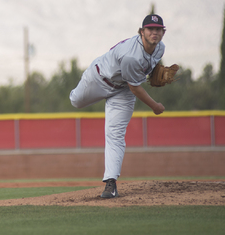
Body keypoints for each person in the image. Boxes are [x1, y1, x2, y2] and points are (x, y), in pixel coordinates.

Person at [69, 14, 168, 198]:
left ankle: (110, 183)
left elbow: (138, 80)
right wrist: (155, 106)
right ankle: (80, 81)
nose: (154, 32)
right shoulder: (131, 55)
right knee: (75, 101)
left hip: (122, 91)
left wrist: (154, 73)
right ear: (141, 32)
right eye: (150, 29)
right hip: (99, 78)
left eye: (158, 29)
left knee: (115, 133)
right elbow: (136, 88)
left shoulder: (160, 48)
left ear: (163, 32)